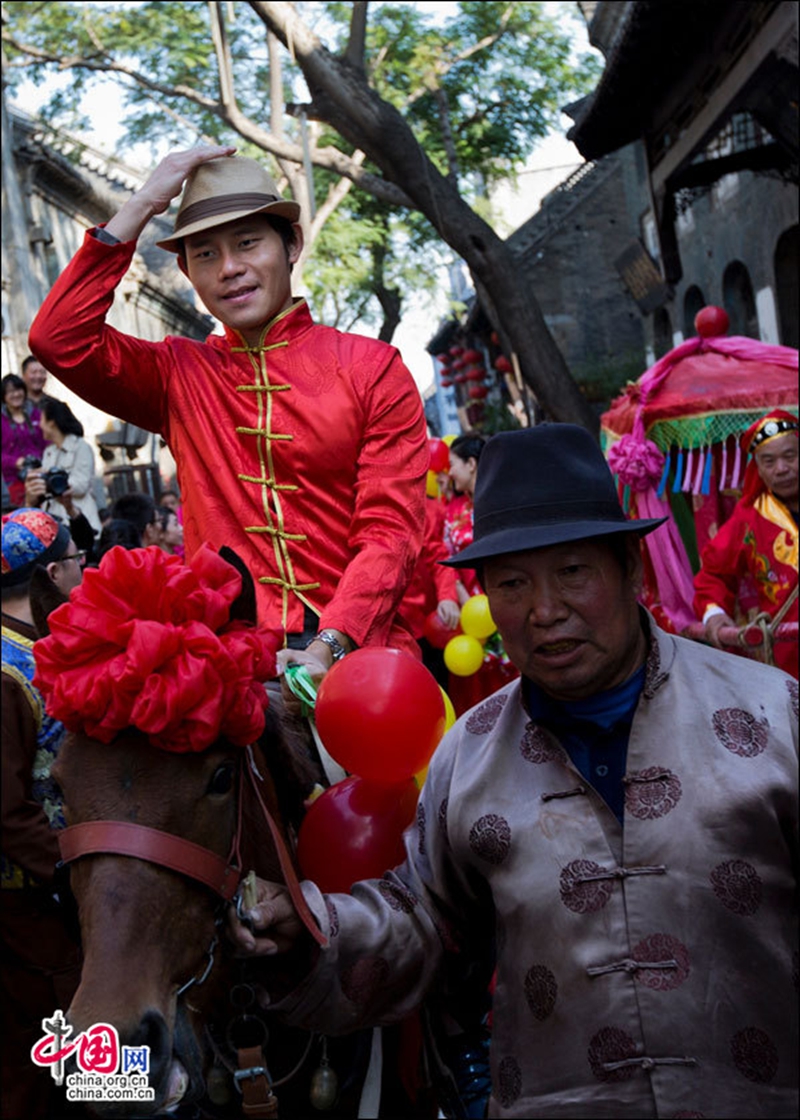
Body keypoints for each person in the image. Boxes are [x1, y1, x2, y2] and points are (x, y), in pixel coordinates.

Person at [229, 424, 798, 1120]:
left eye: (573, 572)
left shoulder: (771, 714)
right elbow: (423, 919)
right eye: (512, 584)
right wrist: (312, 933)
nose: (545, 611)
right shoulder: (469, 753)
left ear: (631, 567)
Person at [29, 146, 428, 691]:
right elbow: (58, 339)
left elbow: (391, 531)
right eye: (205, 254)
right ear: (187, 270)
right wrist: (145, 201)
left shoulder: (372, 368)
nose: (230, 268)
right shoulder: (176, 374)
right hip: (229, 669)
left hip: (362, 656)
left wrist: (332, 642)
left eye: (247, 243)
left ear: (291, 244)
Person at [2, 508, 86, 1119]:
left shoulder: (36, 648)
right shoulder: (7, 673)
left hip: (61, 896)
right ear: (53, 573)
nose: (89, 573)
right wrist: (70, 876)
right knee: (61, 1057)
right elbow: (5, 811)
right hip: (31, 907)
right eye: (81, 563)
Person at [693, 409, 798, 678]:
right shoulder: (750, 518)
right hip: (790, 660)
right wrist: (714, 614)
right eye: (769, 461)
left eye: (790, 456)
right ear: (759, 469)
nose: (782, 469)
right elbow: (713, 574)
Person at [38, 398, 102, 536]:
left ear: (51, 422)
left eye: (42, 420)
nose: (40, 425)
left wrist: (53, 483)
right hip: (54, 521)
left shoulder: (81, 447)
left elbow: (81, 485)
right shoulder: (49, 452)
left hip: (80, 517)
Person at [1, 374, 48, 509]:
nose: (15, 394)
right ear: (3, 396)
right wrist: (16, 462)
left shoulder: (36, 414)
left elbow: (48, 440)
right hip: (13, 481)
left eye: (18, 390)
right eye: (10, 392)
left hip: (40, 474)